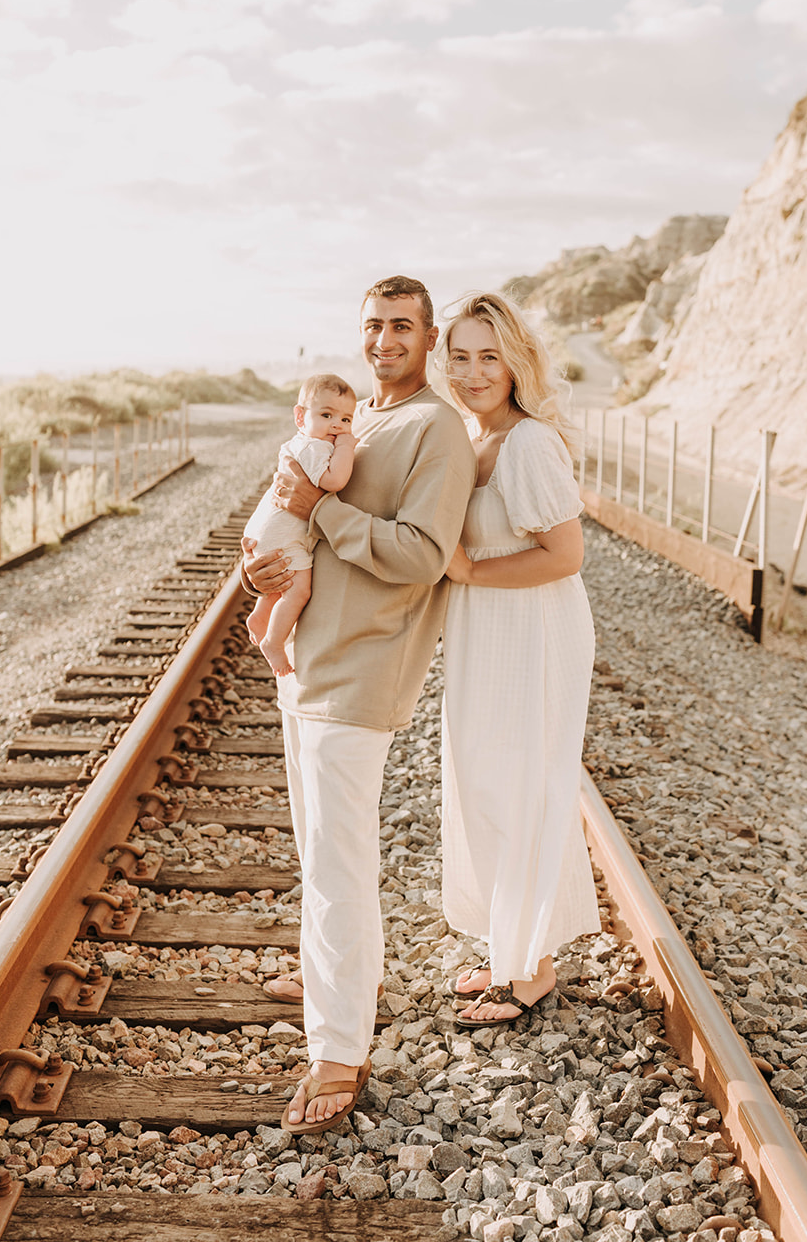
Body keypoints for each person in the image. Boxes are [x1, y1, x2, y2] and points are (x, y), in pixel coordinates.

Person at [241, 276, 475, 1131]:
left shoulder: (434, 428)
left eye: (402, 327)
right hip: (304, 662)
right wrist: (258, 568)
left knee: (341, 868)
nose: (385, 340)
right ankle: (326, 977)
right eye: (374, 325)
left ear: (428, 335)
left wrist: (324, 511)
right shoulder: (355, 418)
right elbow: (292, 518)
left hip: (362, 670)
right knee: (316, 854)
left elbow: (420, 555)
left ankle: (339, 1048)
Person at [439, 290, 600, 1026]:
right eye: (461, 357)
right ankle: (512, 950)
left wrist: (470, 572)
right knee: (487, 786)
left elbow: (563, 556)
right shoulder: (475, 438)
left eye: (489, 357)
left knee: (519, 789)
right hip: (488, 628)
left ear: (514, 363)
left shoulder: (528, 443)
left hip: (529, 632)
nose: (474, 373)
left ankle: (530, 970)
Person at [242, 374, 357, 676]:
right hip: (283, 532)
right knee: (298, 592)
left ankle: (260, 615)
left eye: (346, 419)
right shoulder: (314, 448)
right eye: (326, 415)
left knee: (284, 582)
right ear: (299, 416)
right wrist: (347, 447)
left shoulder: (307, 442)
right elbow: (335, 480)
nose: (337, 425)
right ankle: (274, 642)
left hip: (272, 528)